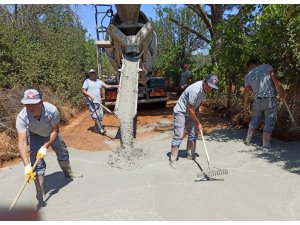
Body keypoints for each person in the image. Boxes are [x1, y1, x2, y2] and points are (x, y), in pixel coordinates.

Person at [16, 89, 81, 208]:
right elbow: (22, 141)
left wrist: (45, 146)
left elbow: (56, 130)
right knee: (38, 164)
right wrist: (27, 166)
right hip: (35, 135)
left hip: (51, 133)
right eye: (27, 104)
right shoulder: (22, 117)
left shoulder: (51, 110)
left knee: (63, 152)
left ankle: (68, 173)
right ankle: (40, 192)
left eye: (34, 103)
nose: (30, 107)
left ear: (41, 102)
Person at [169, 74, 219, 169]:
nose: (209, 89)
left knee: (193, 133)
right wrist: (197, 123)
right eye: (208, 86)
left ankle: (189, 154)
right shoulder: (195, 90)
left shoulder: (204, 90)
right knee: (179, 135)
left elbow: (196, 106)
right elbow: (190, 109)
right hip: (181, 111)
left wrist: (198, 119)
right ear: (204, 81)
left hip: (190, 111)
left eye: (212, 87)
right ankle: (173, 159)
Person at [243, 59, 286, 148]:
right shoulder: (266, 67)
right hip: (269, 100)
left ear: (249, 67)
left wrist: (245, 103)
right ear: (256, 64)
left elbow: (246, 91)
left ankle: (248, 139)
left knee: (254, 120)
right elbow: (274, 80)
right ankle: (265, 144)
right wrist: (281, 92)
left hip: (257, 101)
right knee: (269, 121)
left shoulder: (248, 76)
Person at [82, 69, 119, 134]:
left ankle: (96, 128)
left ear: (95, 74)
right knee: (95, 115)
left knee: (100, 115)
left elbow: (107, 86)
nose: (93, 74)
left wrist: (117, 86)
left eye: (94, 73)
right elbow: (83, 90)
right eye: (91, 73)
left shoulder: (99, 81)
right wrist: (90, 96)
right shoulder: (87, 81)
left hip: (98, 101)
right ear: (89, 74)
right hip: (91, 102)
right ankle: (101, 129)